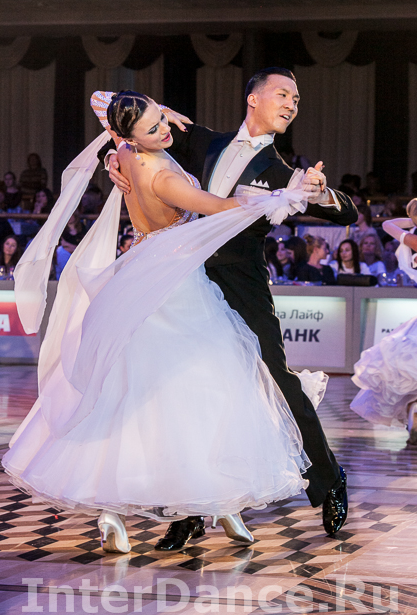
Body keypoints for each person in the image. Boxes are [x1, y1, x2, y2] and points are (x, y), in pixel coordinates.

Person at [3, 90, 324, 555]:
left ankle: (148, 510)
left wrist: (141, 130)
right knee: (193, 391)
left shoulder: (127, 152)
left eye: (161, 120)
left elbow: (100, 98)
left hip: (140, 270)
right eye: (153, 128)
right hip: (174, 284)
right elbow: (218, 207)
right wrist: (284, 196)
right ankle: (199, 501)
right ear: (131, 136)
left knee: (131, 392)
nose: (165, 131)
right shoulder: (160, 175)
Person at [107, 67, 358, 546]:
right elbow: (116, 109)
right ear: (253, 98)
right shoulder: (203, 142)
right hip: (188, 281)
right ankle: (189, 508)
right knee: (185, 391)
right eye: (283, 94)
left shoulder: (284, 173)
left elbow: (347, 210)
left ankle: (328, 478)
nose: (292, 104)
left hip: (242, 284)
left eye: (296, 99)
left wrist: (320, 191)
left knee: (277, 379)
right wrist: (115, 154)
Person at [351, 198, 417, 445]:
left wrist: (413, 221)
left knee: (412, 373)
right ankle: (415, 413)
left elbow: (388, 225)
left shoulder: (416, 242)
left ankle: (415, 412)